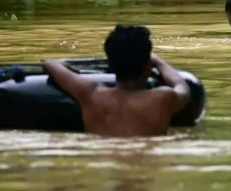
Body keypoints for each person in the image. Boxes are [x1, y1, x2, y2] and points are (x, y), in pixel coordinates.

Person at [41, 24, 191, 138]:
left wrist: (66, 63)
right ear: (147, 65)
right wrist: (158, 62)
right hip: (144, 163)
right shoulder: (163, 98)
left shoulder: (91, 94)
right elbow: (181, 86)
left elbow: (49, 64)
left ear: (111, 65)